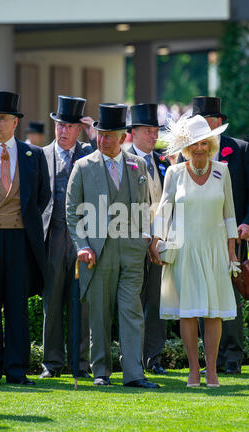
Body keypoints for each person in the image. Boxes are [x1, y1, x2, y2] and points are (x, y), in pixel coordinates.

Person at [66, 103, 159, 389]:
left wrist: (146, 238)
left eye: (109, 135)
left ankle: (134, 374)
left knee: (131, 311)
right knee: (100, 314)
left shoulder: (138, 165)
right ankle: (101, 372)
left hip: (131, 251)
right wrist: (82, 245)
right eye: (100, 134)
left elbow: (145, 206)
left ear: (123, 137)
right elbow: (72, 211)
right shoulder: (82, 166)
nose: (102, 139)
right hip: (97, 252)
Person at [150, 114, 238, 387]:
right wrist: (155, 241)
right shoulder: (174, 173)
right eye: (193, 145)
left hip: (214, 249)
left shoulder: (222, 171)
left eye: (203, 143)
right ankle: (193, 370)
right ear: (186, 147)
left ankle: (211, 370)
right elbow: (164, 210)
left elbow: (230, 215)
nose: (199, 148)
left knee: (212, 312)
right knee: (187, 311)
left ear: (211, 143)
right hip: (183, 248)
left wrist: (232, 252)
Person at [178, 96, 249, 374]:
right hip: (195, 239)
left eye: (208, 122)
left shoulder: (238, 149)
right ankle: (209, 361)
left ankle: (231, 358)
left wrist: (248, 224)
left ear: (218, 123)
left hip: (231, 237)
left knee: (228, 297)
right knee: (201, 297)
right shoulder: (185, 157)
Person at [0, 90, 51, 386]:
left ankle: (17, 370)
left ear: (14, 123)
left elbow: (43, 196)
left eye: (2, 119)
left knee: (17, 307)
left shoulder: (32, 155)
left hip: (21, 240)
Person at [40, 95, 97, 379]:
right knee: (51, 304)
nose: (63, 131)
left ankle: (80, 365)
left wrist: (93, 132)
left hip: (81, 241)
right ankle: (51, 364)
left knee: (81, 304)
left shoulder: (89, 153)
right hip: (52, 240)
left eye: (69, 126)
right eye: (60, 125)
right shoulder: (40, 155)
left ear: (78, 129)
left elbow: (111, 156)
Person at [127, 103, 170, 375]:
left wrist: (158, 237)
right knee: (132, 301)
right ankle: (131, 358)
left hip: (158, 239)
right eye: (147, 131)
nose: (153, 136)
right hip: (131, 241)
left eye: (155, 131)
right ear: (133, 132)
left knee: (156, 300)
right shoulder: (124, 160)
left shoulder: (164, 162)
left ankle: (153, 357)